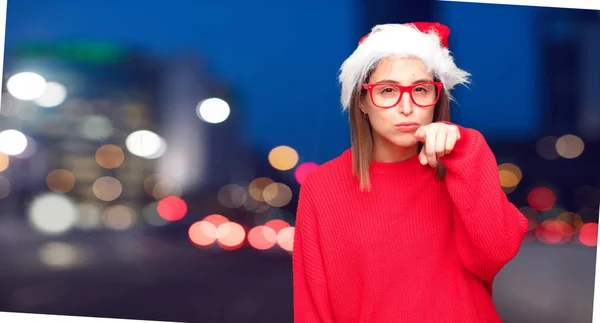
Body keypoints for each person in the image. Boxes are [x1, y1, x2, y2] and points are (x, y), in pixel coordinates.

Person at [292, 22, 529, 323]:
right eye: (388, 90)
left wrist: (466, 150)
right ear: (363, 101)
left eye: (420, 89)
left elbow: (495, 253)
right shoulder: (322, 186)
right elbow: (313, 307)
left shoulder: (463, 163)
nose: (407, 106)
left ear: (436, 96)